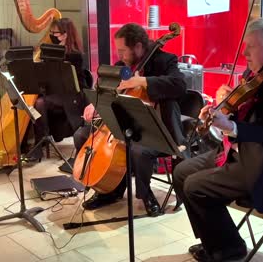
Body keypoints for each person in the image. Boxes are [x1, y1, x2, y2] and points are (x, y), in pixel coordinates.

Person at [173, 16, 263, 261]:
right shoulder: (262, 72)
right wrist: (225, 104)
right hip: (245, 153)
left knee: (195, 186)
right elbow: (247, 114)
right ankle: (215, 240)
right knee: (181, 171)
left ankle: (228, 249)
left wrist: (230, 126)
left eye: (251, 46)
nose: (245, 53)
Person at [77, 23, 186, 217]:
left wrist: (143, 81)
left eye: (122, 50)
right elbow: (106, 89)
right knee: (82, 135)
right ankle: (108, 190)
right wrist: (96, 103)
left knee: (138, 150)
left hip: (157, 129)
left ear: (137, 47)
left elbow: (179, 85)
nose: (119, 56)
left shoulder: (165, 60)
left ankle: (146, 195)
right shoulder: (122, 67)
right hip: (123, 126)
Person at [29, 18, 88, 160]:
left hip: (71, 96)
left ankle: (39, 143)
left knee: (39, 103)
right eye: (51, 32)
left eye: (54, 33)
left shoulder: (75, 55)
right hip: (55, 93)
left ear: (65, 34)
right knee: (34, 102)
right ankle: (36, 142)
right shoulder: (50, 52)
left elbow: (76, 84)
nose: (52, 35)